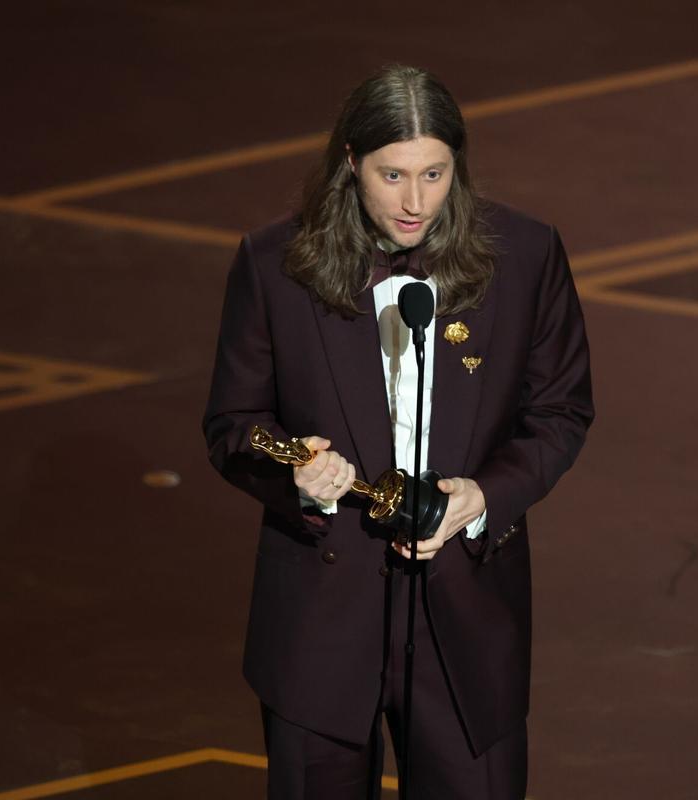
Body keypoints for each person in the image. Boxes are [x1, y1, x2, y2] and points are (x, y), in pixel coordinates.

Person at [202, 64, 593, 799]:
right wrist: (293, 475)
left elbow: (561, 409)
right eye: (392, 176)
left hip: (468, 619)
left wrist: (483, 497)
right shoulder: (272, 265)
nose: (416, 203)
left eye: (435, 174)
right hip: (321, 620)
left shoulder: (529, 256)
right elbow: (232, 422)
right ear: (351, 162)